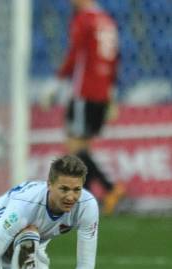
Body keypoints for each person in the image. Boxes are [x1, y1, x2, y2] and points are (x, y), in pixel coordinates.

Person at [42, 0, 125, 215]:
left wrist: (57, 84)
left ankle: (110, 188)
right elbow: (115, 59)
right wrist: (111, 94)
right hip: (101, 92)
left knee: (74, 146)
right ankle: (87, 200)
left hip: (84, 92)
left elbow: (75, 54)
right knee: (83, 147)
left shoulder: (84, 20)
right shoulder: (106, 20)